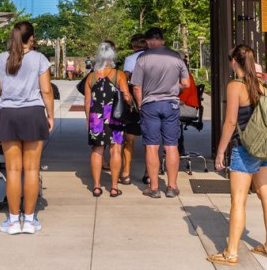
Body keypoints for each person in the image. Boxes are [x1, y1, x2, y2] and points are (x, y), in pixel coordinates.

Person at [208, 44, 267, 263]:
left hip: (245, 148)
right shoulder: (262, 84)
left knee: (238, 201)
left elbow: (231, 122)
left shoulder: (235, 86)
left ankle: (231, 252)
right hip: (265, 147)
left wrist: (220, 151)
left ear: (233, 62)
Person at [0, 20, 54, 235]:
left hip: (9, 115)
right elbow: (46, 91)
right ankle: (30, 221)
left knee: (13, 170)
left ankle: (14, 221)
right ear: (31, 38)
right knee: (32, 169)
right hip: (33, 114)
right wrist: (50, 115)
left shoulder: (0, 59)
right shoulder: (39, 59)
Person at [129, 26, 191, 198]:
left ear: (148, 41)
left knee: (151, 146)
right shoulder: (176, 56)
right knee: (171, 145)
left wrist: (140, 105)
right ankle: (172, 186)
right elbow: (186, 83)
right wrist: (172, 87)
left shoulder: (142, 58)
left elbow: (136, 86)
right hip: (171, 104)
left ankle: (154, 187)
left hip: (150, 105)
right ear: (162, 40)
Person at [80, 41, 125, 197]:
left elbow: (87, 102)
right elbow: (126, 96)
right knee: (115, 150)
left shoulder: (91, 77)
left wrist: (88, 120)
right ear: (112, 57)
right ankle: (114, 187)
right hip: (115, 118)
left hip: (96, 118)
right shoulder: (119, 75)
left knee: (97, 150)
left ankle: (97, 186)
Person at [119, 32, 145, 184]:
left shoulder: (130, 59)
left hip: (135, 101)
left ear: (133, 46)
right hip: (153, 99)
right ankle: (149, 174)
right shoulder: (154, 57)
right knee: (151, 140)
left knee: (129, 138)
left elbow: (126, 77)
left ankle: (126, 172)